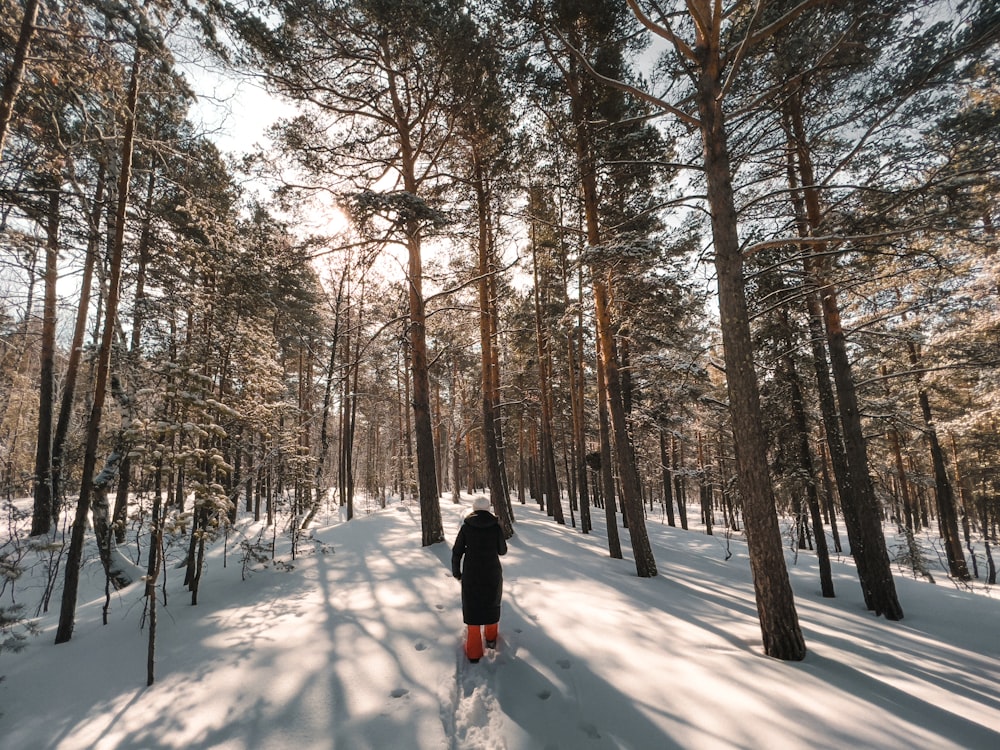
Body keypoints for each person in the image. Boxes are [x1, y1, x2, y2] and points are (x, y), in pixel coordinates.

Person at [451, 495, 507, 663]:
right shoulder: (495, 527)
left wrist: (457, 573)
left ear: (474, 509)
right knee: (491, 603)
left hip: (471, 573)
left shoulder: (467, 527)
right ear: (488, 508)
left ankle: (474, 653)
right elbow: (502, 551)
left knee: (473, 608)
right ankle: (491, 640)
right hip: (492, 573)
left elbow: (457, 552)